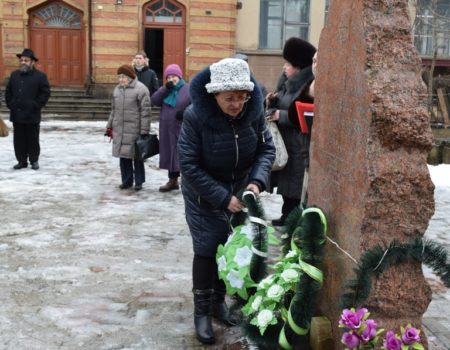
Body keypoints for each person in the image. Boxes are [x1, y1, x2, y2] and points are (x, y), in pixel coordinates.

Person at [178, 58, 275, 344]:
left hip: (240, 190)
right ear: (214, 95)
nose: (236, 105)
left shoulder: (253, 113)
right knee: (208, 247)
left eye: (242, 98)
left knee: (231, 246)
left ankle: (219, 303)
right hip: (204, 194)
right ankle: (202, 313)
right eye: (229, 98)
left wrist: (256, 181)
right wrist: (222, 198)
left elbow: (266, 149)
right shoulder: (195, 117)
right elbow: (188, 164)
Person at [265, 37, 316, 226]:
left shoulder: (307, 86)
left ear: (299, 66)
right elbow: (287, 102)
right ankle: (286, 215)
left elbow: (305, 114)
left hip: (298, 143)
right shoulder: (290, 84)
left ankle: (292, 218)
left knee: (294, 185)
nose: (284, 67)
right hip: (288, 142)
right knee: (287, 184)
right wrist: (273, 100)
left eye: (288, 63)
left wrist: (281, 115)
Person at [106, 64, 151, 191]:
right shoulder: (117, 90)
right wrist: (109, 126)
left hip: (134, 129)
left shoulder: (141, 89)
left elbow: (146, 112)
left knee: (137, 156)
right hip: (120, 128)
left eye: (123, 77)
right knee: (123, 156)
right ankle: (126, 181)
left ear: (130, 77)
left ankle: (139, 181)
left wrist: (144, 131)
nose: (121, 79)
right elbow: (113, 110)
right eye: (119, 77)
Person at [5, 48, 51, 170]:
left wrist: (35, 105)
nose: (23, 62)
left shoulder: (40, 76)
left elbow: (45, 93)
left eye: (26, 60)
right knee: (19, 140)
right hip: (17, 114)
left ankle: (34, 160)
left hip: (32, 114)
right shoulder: (14, 75)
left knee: (32, 139)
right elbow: (8, 91)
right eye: (21, 60)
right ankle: (21, 161)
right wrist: (11, 104)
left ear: (32, 62)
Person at [151, 64, 190, 192]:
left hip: (183, 129)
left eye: (174, 76)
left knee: (184, 155)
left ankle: (188, 182)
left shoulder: (188, 89)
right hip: (167, 128)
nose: (171, 79)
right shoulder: (166, 90)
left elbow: (197, 105)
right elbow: (155, 100)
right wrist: (165, 89)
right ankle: (173, 181)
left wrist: (186, 112)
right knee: (170, 154)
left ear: (179, 76)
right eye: (169, 77)